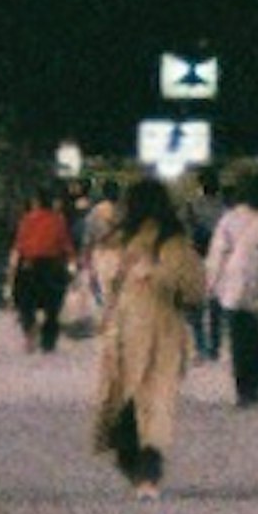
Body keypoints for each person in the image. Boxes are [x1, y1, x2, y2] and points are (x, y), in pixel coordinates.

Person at [87, 177, 208, 489]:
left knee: (123, 394)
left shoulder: (118, 241)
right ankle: (149, 468)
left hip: (124, 329)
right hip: (163, 329)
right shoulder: (174, 241)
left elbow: (105, 280)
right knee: (157, 399)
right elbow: (194, 289)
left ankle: (135, 463)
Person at [204, 174, 258, 403]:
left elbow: (218, 253)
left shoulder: (230, 219)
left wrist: (211, 284)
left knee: (238, 338)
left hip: (233, 284)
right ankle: (254, 386)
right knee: (257, 339)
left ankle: (242, 388)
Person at [10, 184, 77, 349]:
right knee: (53, 305)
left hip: (29, 265)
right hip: (52, 266)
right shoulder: (58, 220)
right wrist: (71, 259)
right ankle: (49, 339)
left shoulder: (27, 219)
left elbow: (20, 244)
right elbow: (65, 244)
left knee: (25, 301)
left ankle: (30, 328)